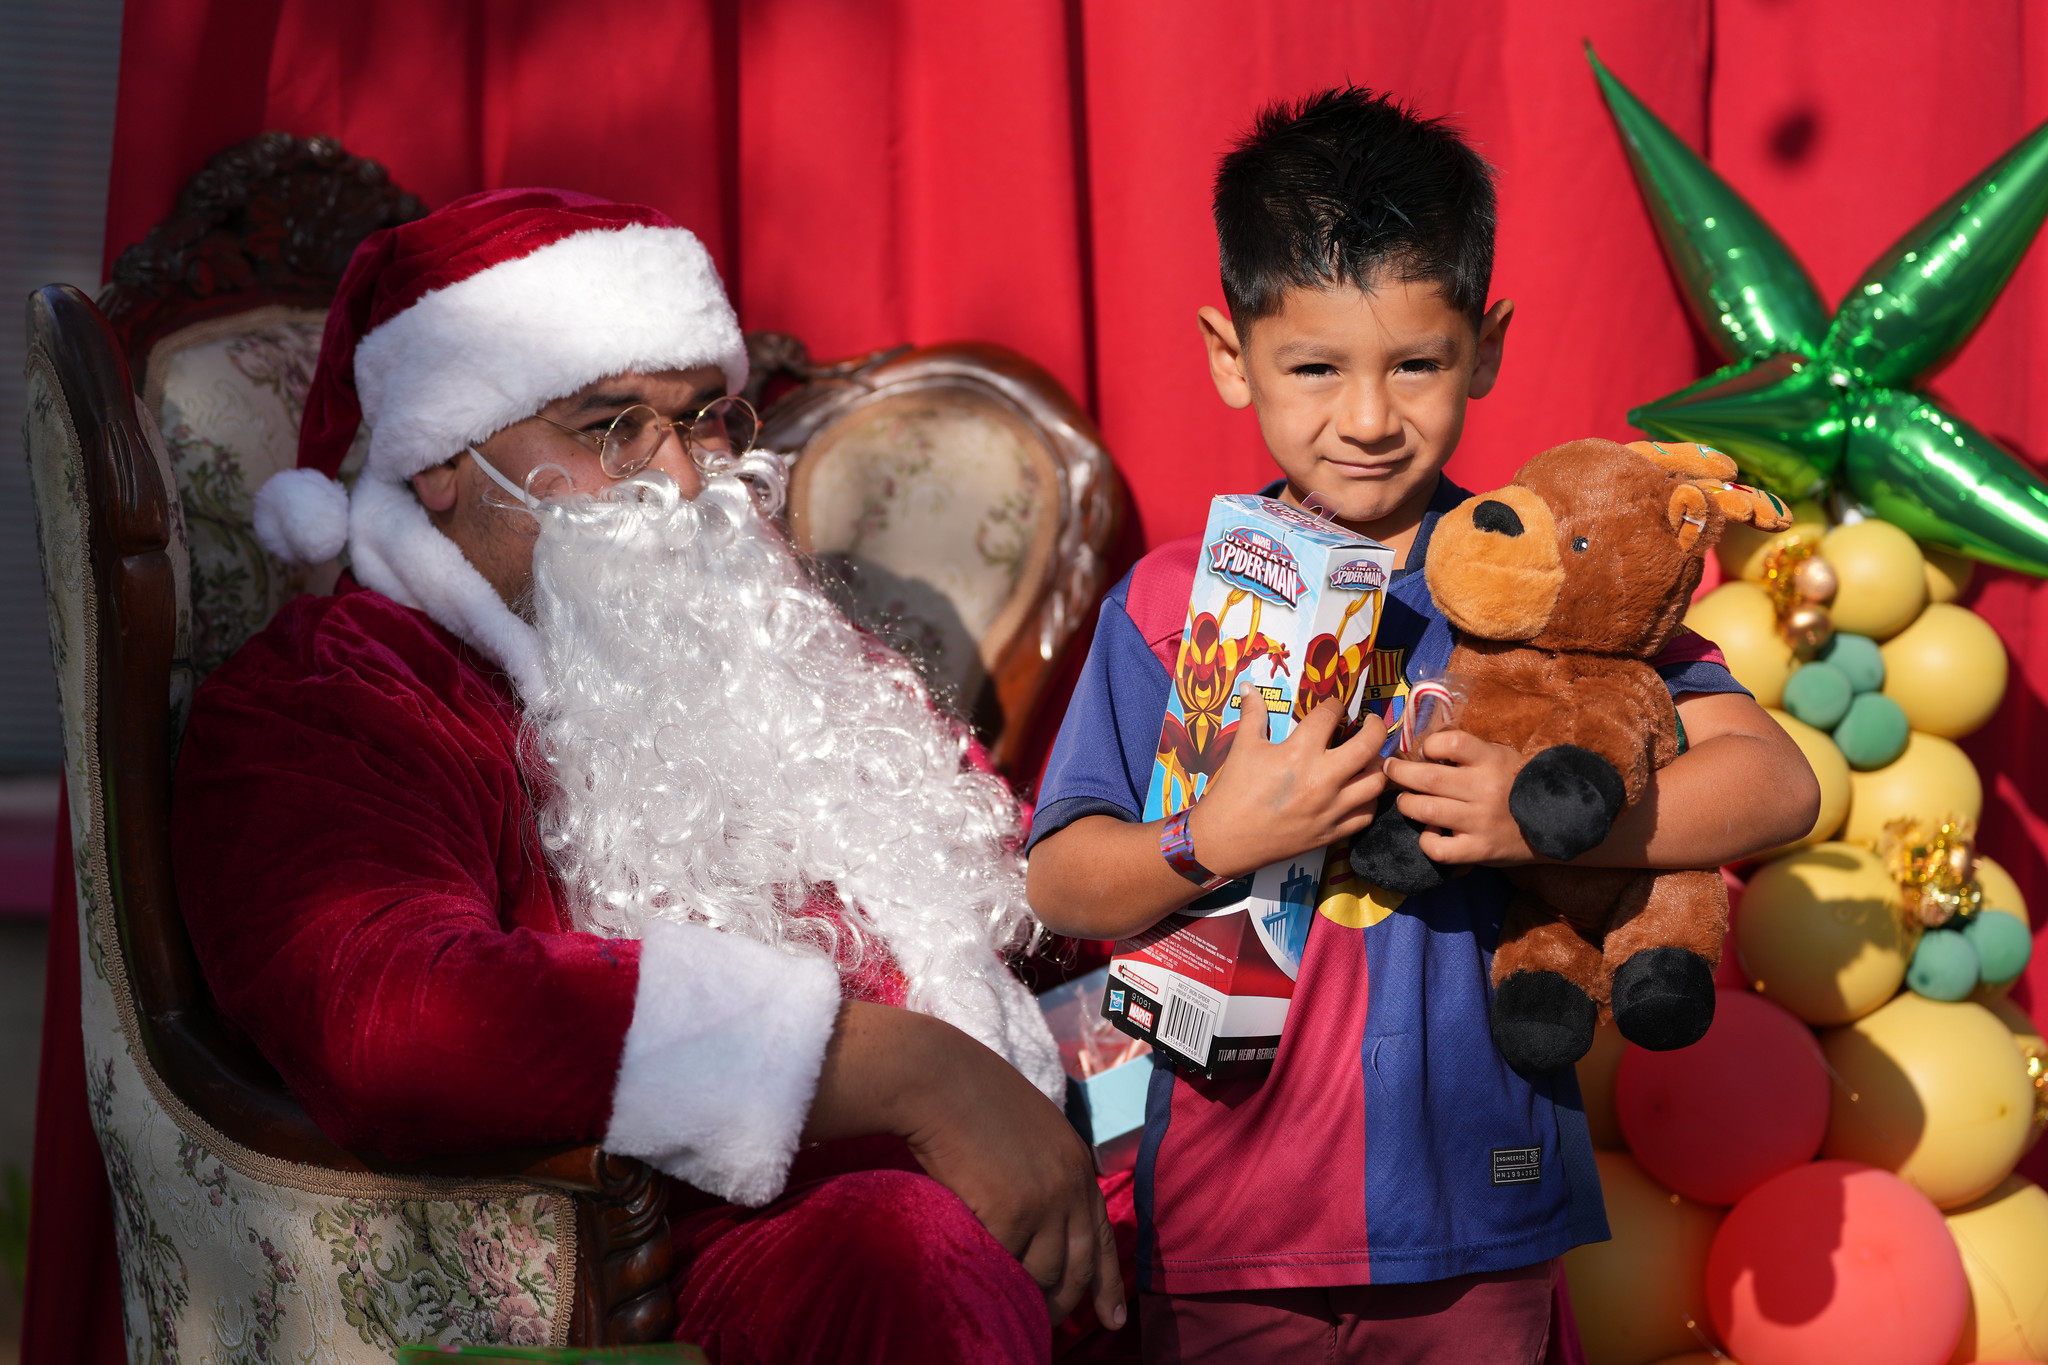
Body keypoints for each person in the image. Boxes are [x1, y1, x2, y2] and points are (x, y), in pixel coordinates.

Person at [174, 187, 1124, 1362]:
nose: (676, 480)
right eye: (607, 426)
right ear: (441, 463)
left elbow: (1025, 899)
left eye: (700, 420)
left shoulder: (767, 640)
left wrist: (1218, 865)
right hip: (700, 1263)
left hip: (1041, 1165)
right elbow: (392, 1018)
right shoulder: (338, 693)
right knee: (902, 1254)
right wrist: (907, 1073)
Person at [1025, 89, 1820, 1363]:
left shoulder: (1543, 574)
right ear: (1229, 354)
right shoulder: (1174, 602)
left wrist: (1540, 817)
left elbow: (1776, 785)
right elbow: (1063, 879)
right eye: (1312, 367)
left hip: (1478, 1217)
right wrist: (1208, 838)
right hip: (1226, 1229)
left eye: (1414, 364)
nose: (1365, 417)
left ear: (1483, 349)